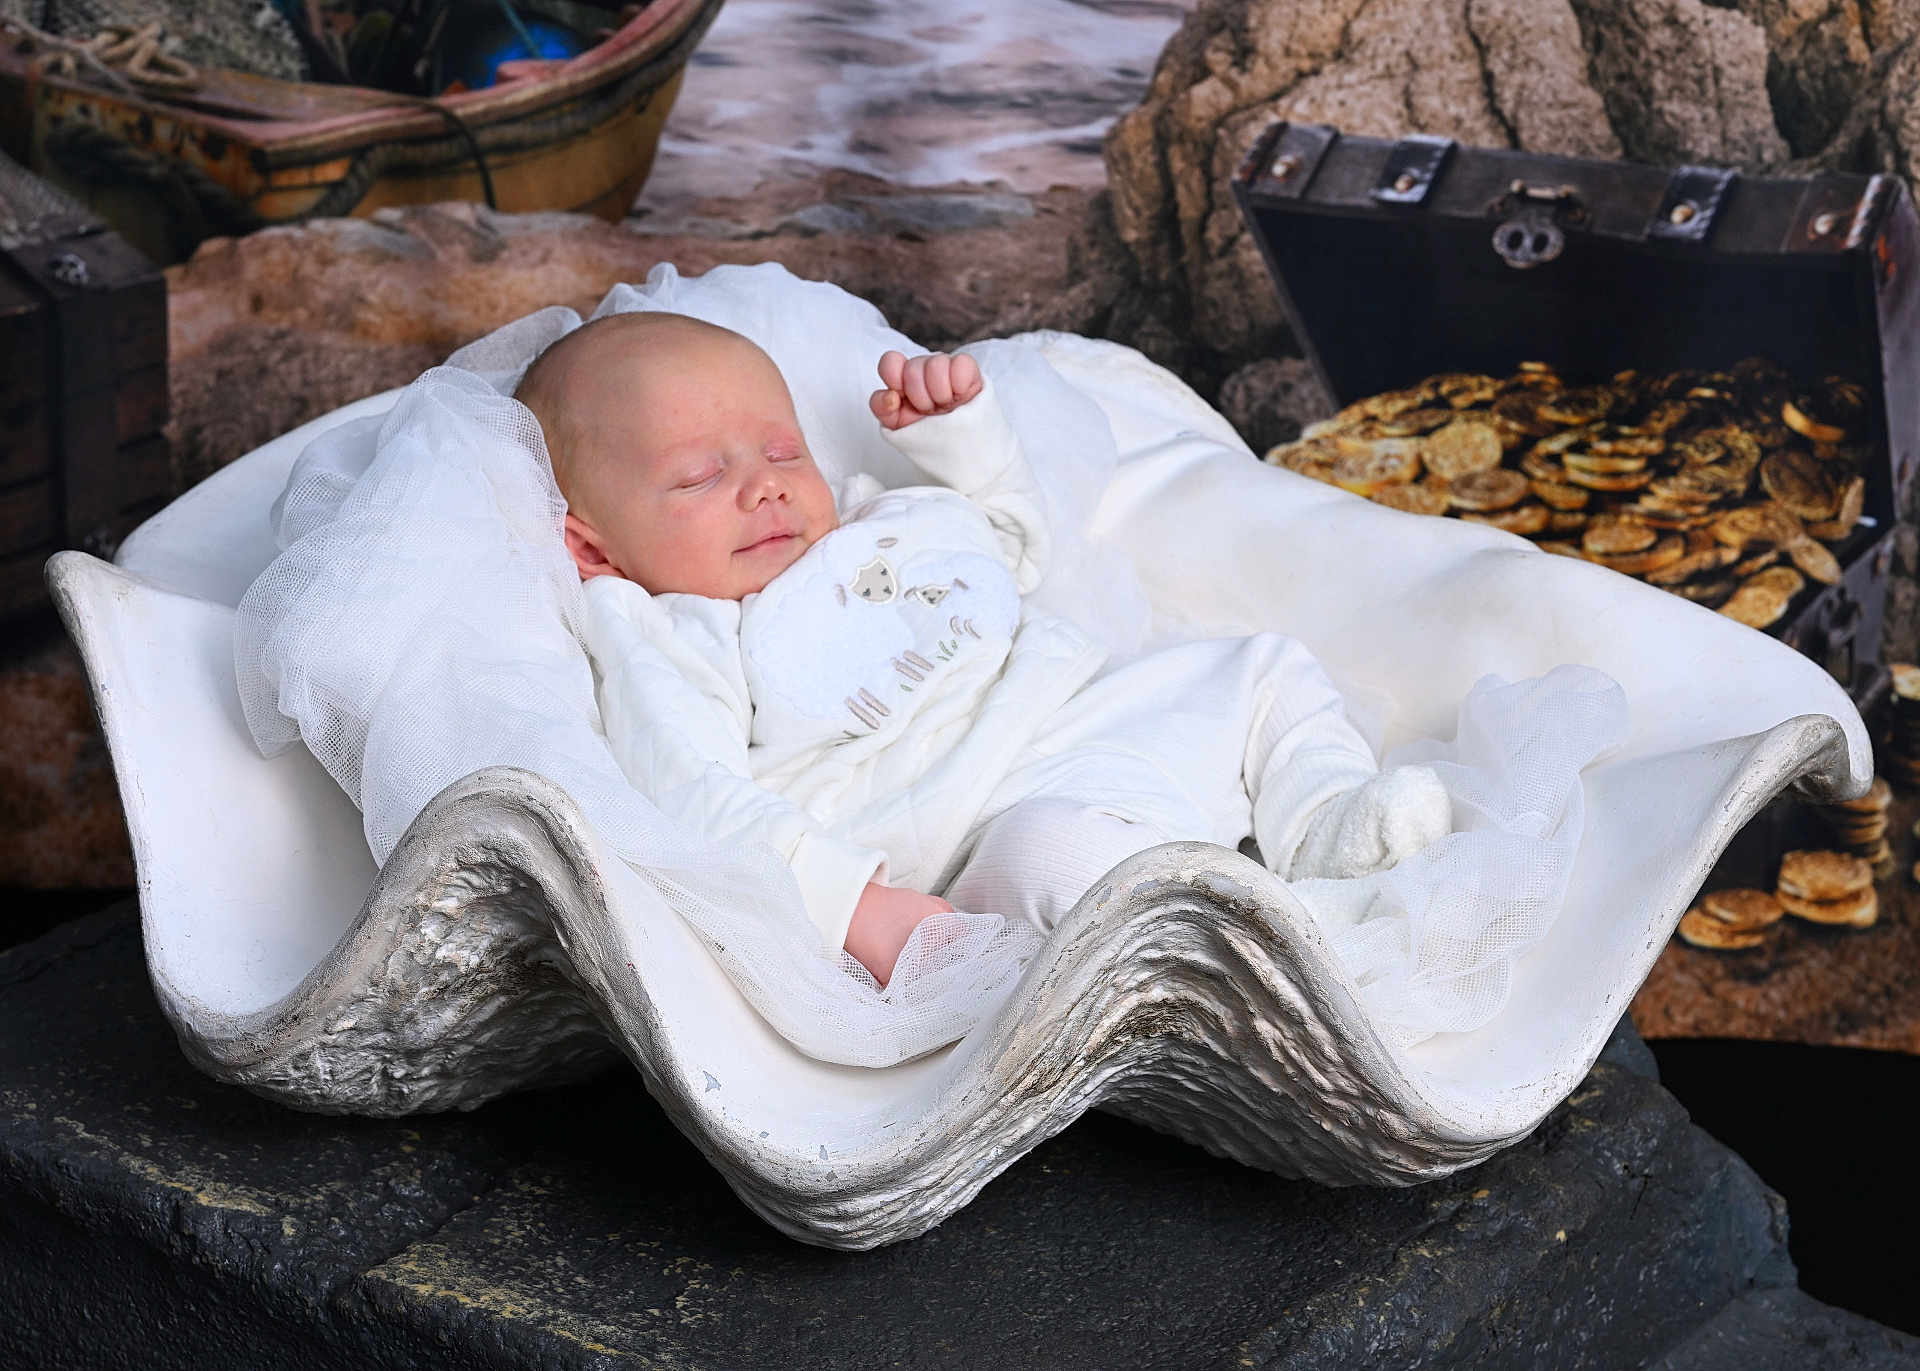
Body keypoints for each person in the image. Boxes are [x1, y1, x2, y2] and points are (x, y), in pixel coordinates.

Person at [514, 310, 1451, 987]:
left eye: (781, 451)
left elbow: (1013, 546)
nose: (764, 488)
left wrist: (961, 441)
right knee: (1061, 859)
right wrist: (857, 908)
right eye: (700, 476)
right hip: (983, 821)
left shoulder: (880, 521)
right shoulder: (675, 630)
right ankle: (1272, 939)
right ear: (593, 545)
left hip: (1094, 710)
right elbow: (688, 795)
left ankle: (1321, 823)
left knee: (1263, 669)